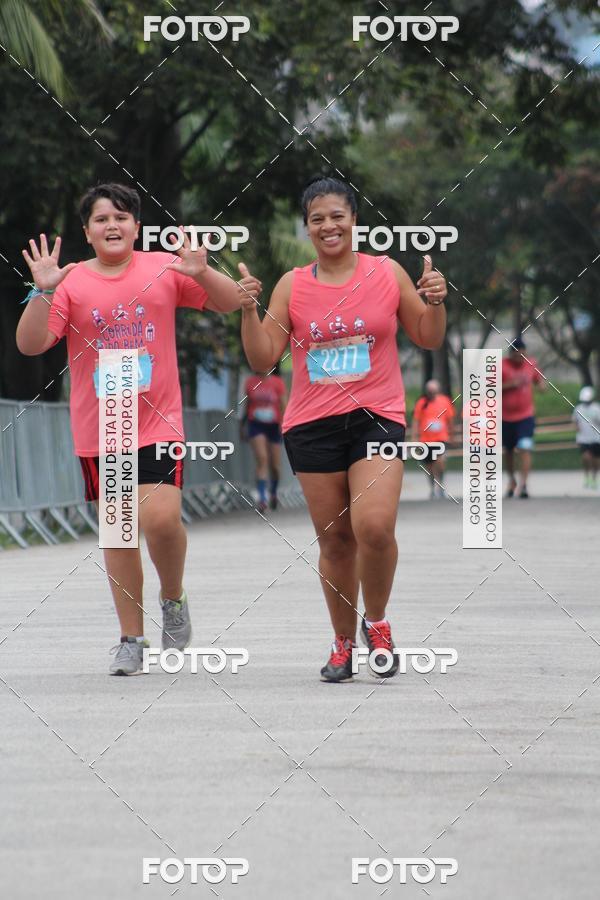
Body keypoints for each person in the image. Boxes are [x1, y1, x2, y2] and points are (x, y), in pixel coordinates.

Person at [16, 183, 261, 675]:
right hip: (102, 426)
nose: (113, 225)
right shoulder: (70, 282)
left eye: (122, 217)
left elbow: (233, 302)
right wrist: (42, 290)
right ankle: (131, 637)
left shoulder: (164, 267)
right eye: (102, 218)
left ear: (137, 227)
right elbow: (31, 343)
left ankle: (173, 597)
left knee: (161, 521)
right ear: (87, 231)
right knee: (119, 532)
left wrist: (203, 269)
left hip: (158, 420)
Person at [239, 175, 447, 683]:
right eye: (317, 219)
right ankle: (341, 643)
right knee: (334, 541)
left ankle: (376, 622)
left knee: (373, 527)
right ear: (307, 227)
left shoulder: (385, 273)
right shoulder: (293, 284)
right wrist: (247, 309)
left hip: (376, 414)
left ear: (354, 219)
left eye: (337, 215)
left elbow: (426, 335)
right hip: (312, 424)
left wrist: (437, 300)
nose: (328, 226)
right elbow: (265, 356)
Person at [501, 336, 546, 498]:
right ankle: (512, 480)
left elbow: (539, 383)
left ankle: (524, 484)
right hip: (505, 417)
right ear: (511, 354)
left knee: (525, 447)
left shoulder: (531, 364)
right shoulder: (501, 366)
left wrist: (541, 385)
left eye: (523, 355)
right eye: (518, 355)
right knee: (509, 451)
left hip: (526, 416)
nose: (521, 358)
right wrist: (510, 385)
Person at [240, 363, 288, 512]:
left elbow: (283, 405)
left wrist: (285, 425)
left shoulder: (277, 382)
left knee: (275, 466)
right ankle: (262, 499)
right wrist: (242, 425)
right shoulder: (250, 382)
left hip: (274, 425)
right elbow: (247, 404)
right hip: (256, 424)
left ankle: (273, 493)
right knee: (262, 459)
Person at [411, 379, 455, 499]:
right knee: (429, 465)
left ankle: (440, 485)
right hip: (426, 440)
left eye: (434, 391)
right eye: (430, 391)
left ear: (437, 391)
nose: (431, 393)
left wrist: (452, 435)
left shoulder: (445, 401)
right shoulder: (421, 402)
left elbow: (450, 419)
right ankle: (432, 486)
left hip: (441, 438)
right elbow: (416, 420)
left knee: (440, 461)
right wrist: (414, 438)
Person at [572, 385, 600, 489]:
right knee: (586, 457)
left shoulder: (597, 408)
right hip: (583, 438)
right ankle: (587, 476)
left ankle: (594, 477)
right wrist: (577, 427)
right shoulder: (578, 409)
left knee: (596, 460)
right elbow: (575, 421)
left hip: (596, 438)